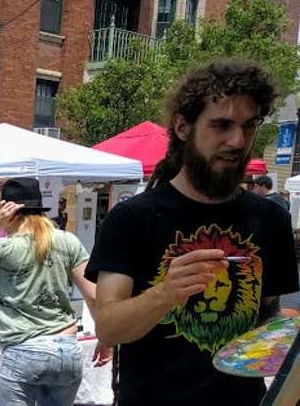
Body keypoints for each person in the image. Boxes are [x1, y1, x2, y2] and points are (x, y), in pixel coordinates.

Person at [86, 60, 299, 406]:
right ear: (183, 127)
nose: (238, 140)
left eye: (249, 126)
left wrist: (285, 330)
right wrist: (166, 292)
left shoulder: (270, 218)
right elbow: (108, 327)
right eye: (222, 125)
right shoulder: (132, 218)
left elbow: (272, 316)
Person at [0, 177, 111, 404]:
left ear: (9, 213)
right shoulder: (68, 241)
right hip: (65, 348)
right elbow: (94, 295)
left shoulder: (2, 247)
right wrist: (106, 339)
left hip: (22, 348)